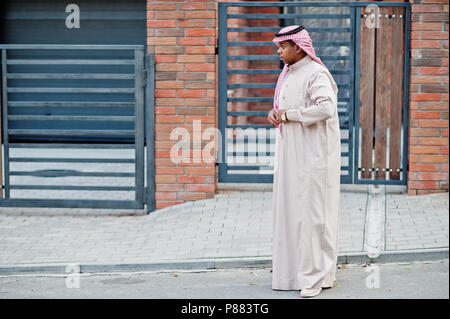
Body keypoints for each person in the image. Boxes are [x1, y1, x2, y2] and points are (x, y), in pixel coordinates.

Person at [268, 25, 341, 298]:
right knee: (290, 213)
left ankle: (315, 278)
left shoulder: (317, 73)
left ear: (298, 47)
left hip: (314, 158)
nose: (279, 51)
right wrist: (275, 114)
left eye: (282, 47)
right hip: (290, 156)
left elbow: (325, 108)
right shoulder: (289, 73)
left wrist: (289, 115)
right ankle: (290, 274)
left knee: (312, 217)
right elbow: (283, 107)